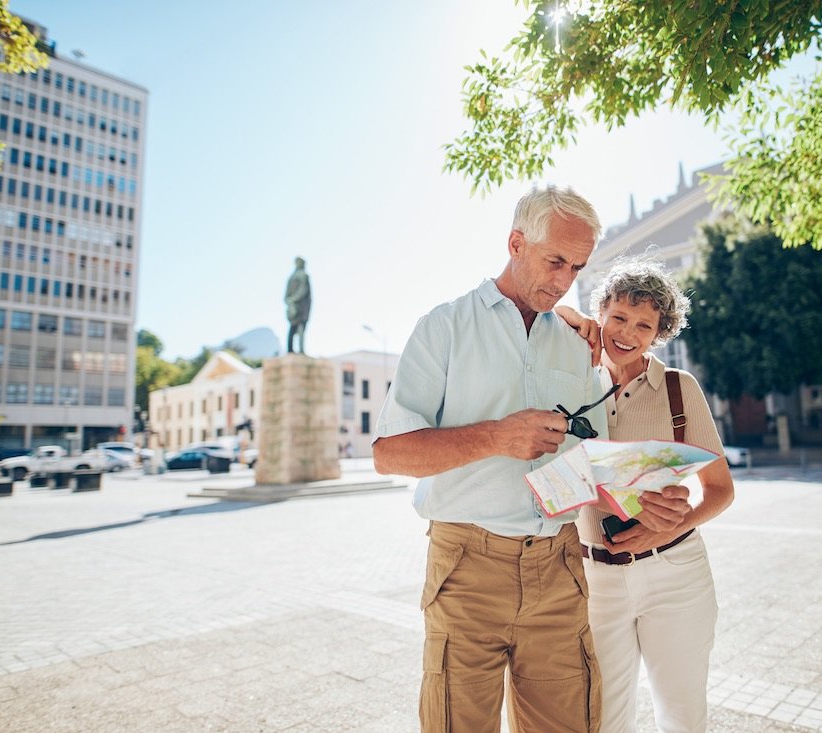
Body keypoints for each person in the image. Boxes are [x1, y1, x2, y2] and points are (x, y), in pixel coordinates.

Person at [372, 188, 691, 733]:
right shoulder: (445, 326)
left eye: (578, 267)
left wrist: (647, 500)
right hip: (467, 568)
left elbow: (591, 460)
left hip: (561, 569)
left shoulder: (578, 343)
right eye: (555, 261)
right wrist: (497, 436)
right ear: (516, 243)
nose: (565, 280)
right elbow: (389, 453)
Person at [557, 256, 734, 733]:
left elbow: (720, 490)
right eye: (618, 317)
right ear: (599, 314)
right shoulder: (569, 383)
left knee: (682, 714)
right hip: (595, 580)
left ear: (659, 333)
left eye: (644, 325)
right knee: (605, 717)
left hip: (676, 574)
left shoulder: (680, 389)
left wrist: (677, 519)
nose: (627, 333)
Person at [284, 256, 312, 353]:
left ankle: (292, 350)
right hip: (301, 306)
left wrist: (290, 300)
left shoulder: (292, 277)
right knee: (299, 327)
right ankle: (298, 350)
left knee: (294, 327)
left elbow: (286, 295)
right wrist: (294, 300)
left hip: (295, 305)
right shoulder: (302, 275)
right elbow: (303, 290)